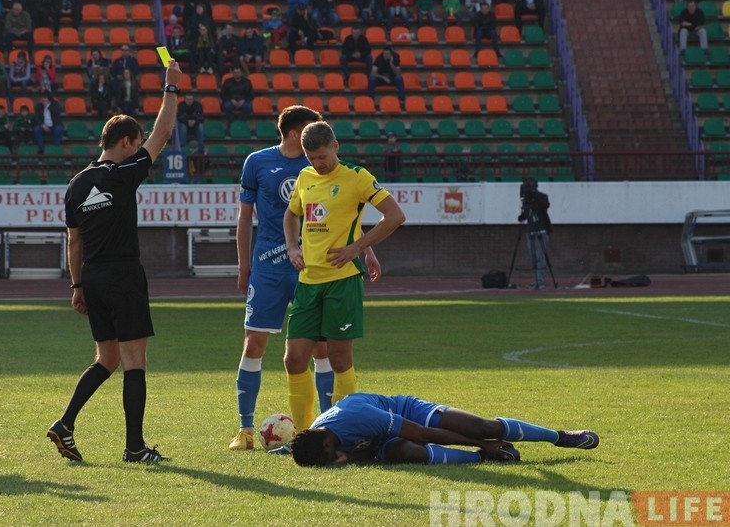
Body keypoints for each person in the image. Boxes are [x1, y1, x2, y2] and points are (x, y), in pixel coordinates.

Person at [47, 58, 183, 464]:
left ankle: (65, 424)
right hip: (123, 274)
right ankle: (135, 448)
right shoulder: (122, 174)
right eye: (136, 144)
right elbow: (163, 134)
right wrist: (171, 87)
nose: (140, 150)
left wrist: (77, 286)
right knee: (134, 362)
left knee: (106, 358)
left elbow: (73, 240)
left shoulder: (76, 184)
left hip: (92, 277)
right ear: (125, 142)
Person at [229, 106, 383, 451]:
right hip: (268, 267)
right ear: (296, 133)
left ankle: (326, 428)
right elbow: (247, 217)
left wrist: (365, 250)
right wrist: (244, 265)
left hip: (313, 269)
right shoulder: (259, 163)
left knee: (322, 349)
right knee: (255, 345)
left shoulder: (322, 164)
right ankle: (246, 429)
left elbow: (348, 214)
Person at [282, 121, 405, 437]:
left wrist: (358, 248)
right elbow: (292, 213)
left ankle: (341, 434)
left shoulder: (357, 177)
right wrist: (292, 246)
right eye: (311, 158)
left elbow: (394, 215)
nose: (318, 164)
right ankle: (302, 435)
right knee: (293, 359)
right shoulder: (305, 178)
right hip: (308, 282)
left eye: (322, 156)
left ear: (335, 147)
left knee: (339, 359)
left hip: (343, 281)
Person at [290, 392, 600, 466]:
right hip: (382, 441)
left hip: (405, 413)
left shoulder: (357, 416)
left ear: (328, 444)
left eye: (329, 458)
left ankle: (559, 437)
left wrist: (485, 442)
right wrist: (482, 453)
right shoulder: (316, 440)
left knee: (482, 427)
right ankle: (482, 458)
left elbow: (423, 433)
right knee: (406, 452)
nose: (333, 461)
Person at [518, 177, 551, 289]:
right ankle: (537, 279)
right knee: (534, 257)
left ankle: (540, 281)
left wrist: (535, 195)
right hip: (530, 230)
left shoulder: (542, 196)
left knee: (540, 256)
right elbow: (527, 214)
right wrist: (522, 216)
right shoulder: (527, 200)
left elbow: (546, 205)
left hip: (541, 229)